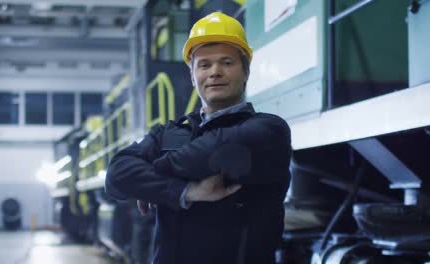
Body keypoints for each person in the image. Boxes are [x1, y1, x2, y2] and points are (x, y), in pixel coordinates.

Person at [105, 12, 291, 264]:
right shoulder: (169, 132)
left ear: (246, 72)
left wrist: (151, 176)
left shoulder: (267, 130)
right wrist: (186, 190)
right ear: (193, 76)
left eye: (227, 62)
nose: (215, 72)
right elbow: (116, 177)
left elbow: (210, 153)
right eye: (204, 65)